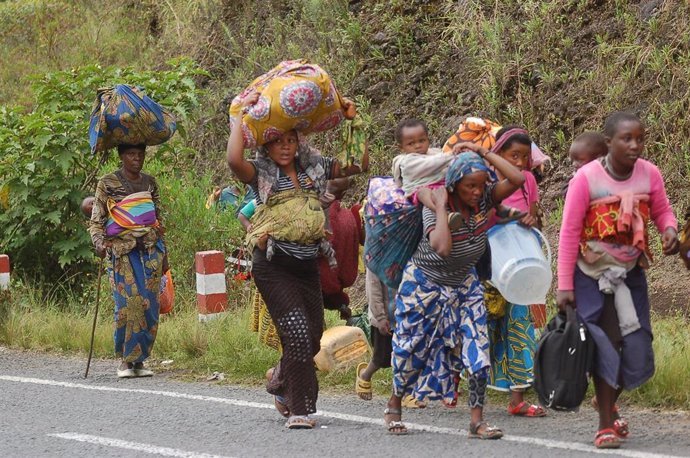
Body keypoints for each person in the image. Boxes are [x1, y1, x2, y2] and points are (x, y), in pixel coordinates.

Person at [227, 91, 366, 430]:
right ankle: (301, 410)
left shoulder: (314, 166)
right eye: (277, 141)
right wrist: (236, 118)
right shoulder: (260, 171)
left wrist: (354, 120)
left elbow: (357, 164)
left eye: (290, 140)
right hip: (273, 265)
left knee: (312, 334)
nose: (285, 147)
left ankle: (278, 380)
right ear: (266, 145)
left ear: (299, 141)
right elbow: (234, 161)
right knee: (298, 332)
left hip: (307, 264)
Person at [384, 144, 525, 438]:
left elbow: (517, 179)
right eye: (469, 186)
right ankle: (395, 403)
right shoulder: (436, 204)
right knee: (411, 350)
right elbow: (443, 248)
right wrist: (439, 207)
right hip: (424, 284)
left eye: (480, 185)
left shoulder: (486, 198)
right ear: (454, 184)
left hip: (465, 284)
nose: (476, 192)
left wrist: (483, 153)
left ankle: (477, 420)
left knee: (478, 349)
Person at [557, 112, 679, 449]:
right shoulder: (586, 179)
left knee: (637, 343)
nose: (635, 145)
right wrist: (564, 284)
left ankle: (607, 399)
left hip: (630, 271)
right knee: (608, 341)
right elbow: (568, 232)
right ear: (608, 143)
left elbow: (662, 210)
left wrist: (669, 229)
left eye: (639, 138)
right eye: (626, 139)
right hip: (592, 273)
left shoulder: (649, 173)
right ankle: (605, 424)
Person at [89, 143, 168, 379]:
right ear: (121, 156)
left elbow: (157, 221)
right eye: (131, 154)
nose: (137, 159)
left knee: (150, 306)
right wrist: (99, 243)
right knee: (127, 305)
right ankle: (126, 360)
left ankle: (140, 361)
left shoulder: (150, 183)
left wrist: (166, 256)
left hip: (151, 251)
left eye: (140, 154)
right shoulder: (107, 183)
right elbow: (96, 221)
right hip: (122, 252)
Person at [483, 126, 546, 417]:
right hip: (492, 264)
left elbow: (535, 213)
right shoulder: (484, 180)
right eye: (513, 155)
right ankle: (466, 387)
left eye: (524, 156)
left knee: (520, 325)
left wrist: (532, 219)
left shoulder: (528, 180)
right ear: (499, 154)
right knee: (486, 325)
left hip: (523, 263)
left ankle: (517, 398)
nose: (520, 162)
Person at [319, 177, 364, 321]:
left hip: (315, 283)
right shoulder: (349, 217)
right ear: (343, 195)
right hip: (334, 285)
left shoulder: (315, 214)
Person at [562, 132, 608, 196]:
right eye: (572, 160)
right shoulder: (575, 176)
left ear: (598, 159)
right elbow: (567, 192)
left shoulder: (611, 173)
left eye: (580, 160)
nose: (574, 164)